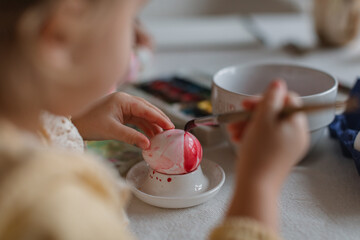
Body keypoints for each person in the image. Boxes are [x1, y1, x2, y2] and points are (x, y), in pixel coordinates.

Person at [0, 1, 309, 240]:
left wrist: (73, 122)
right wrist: (260, 181)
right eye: (131, 21)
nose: (137, 40)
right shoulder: (58, 214)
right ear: (60, 37)